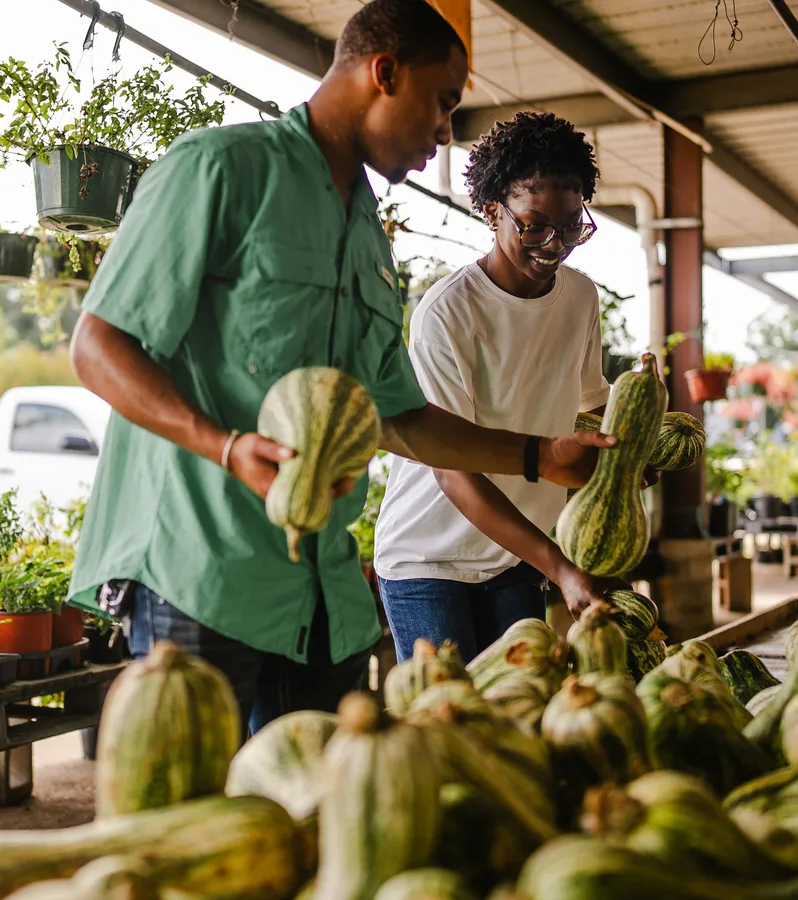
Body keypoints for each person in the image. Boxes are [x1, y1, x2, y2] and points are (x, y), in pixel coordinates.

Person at [65, 0, 619, 734]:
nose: (444, 132)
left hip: (318, 592)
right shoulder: (221, 168)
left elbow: (400, 417)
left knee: (322, 794)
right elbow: (99, 346)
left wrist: (539, 456)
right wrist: (225, 448)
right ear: (384, 73)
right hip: (197, 571)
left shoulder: (366, 238)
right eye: (441, 102)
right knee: (190, 800)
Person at [374, 111, 637, 664]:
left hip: (516, 556)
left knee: (519, 709)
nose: (554, 244)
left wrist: (628, 462)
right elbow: (452, 470)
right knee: (448, 712)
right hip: (429, 560)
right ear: (493, 209)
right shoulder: (448, 313)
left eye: (571, 226)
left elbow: (589, 408)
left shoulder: (580, 298)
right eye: (534, 225)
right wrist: (560, 566)